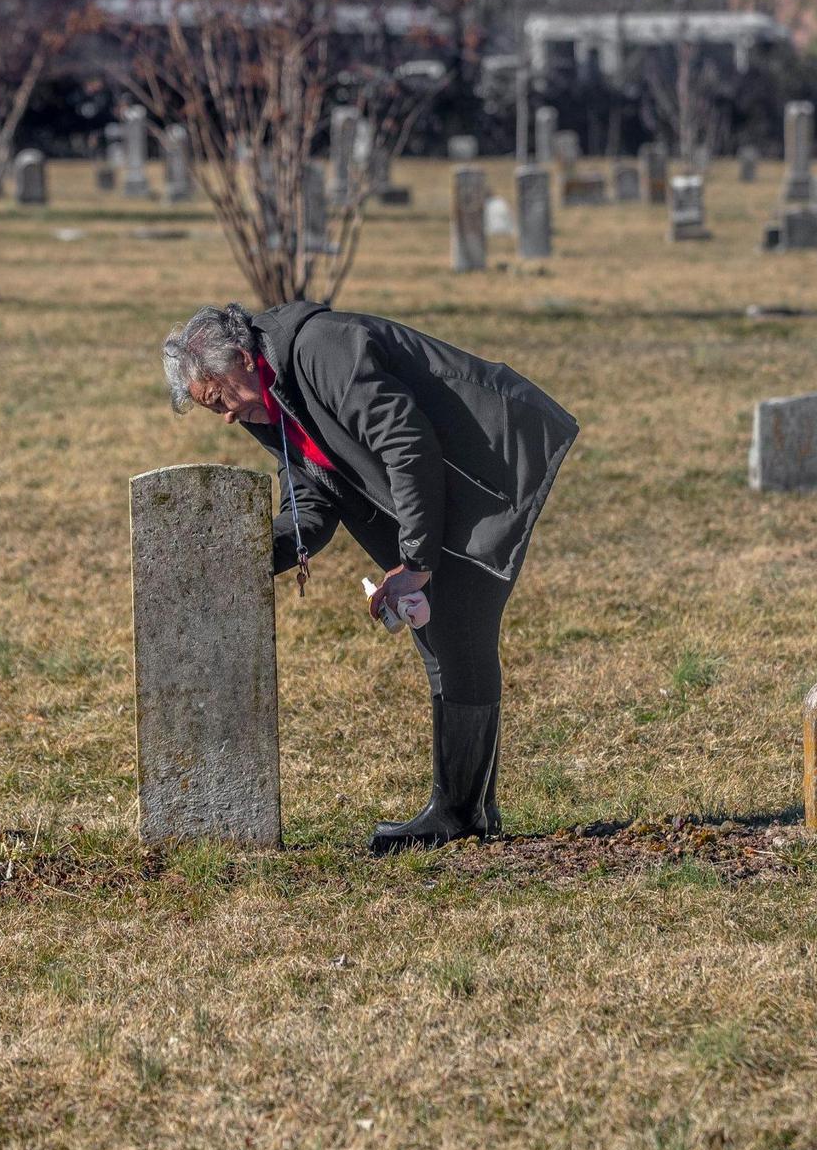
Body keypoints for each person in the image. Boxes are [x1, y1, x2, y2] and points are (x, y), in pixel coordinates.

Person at [161, 300, 578, 854]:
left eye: (223, 399)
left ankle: (459, 815)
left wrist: (417, 560)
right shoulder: (263, 395)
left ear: (242, 357)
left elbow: (405, 444)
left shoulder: (321, 349)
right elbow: (308, 497)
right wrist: (244, 559)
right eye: (216, 412)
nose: (230, 418)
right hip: (436, 482)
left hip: (484, 459)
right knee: (449, 635)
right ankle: (466, 811)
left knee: (458, 629)